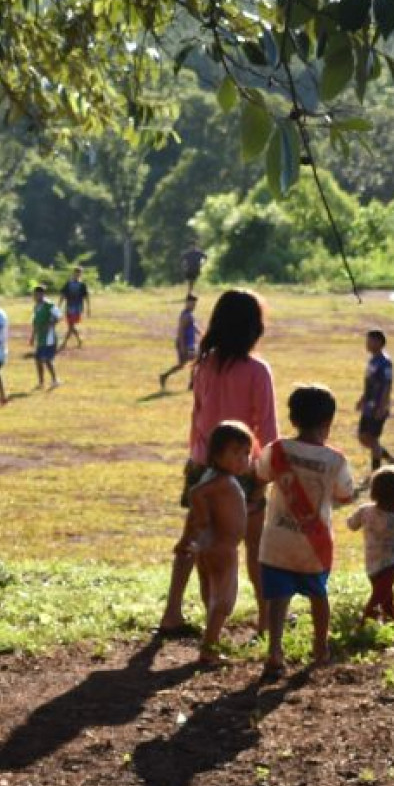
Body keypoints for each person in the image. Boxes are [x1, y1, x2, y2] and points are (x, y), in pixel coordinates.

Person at [155, 288, 279, 639]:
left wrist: (199, 463)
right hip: (243, 470)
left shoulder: (204, 365)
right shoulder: (257, 371)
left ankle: (173, 613)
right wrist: (264, 475)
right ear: (254, 327)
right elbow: (267, 430)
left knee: (195, 542)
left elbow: (198, 418)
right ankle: (265, 622)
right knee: (254, 548)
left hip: (202, 466)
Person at [254, 384, 356, 674]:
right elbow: (345, 494)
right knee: (318, 594)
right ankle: (320, 647)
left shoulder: (277, 449)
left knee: (277, 598)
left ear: (293, 418)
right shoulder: (335, 459)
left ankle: (275, 652)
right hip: (315, 544)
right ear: (328, 422)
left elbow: (261, 474)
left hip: (277, 541)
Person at [173, 420, 254, 667]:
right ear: (217, 455)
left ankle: (211, 634)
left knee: (210, 591)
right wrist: (202, 518)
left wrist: (189, 537)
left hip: (207, 547)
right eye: (236, 454)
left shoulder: (217, 476)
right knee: (225, 600)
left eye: (246, 454)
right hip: (223, 548)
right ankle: (209, 648)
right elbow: (195, 493)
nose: (244, 460)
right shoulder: (221, 481)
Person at [347, 466, 394, 623]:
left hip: (371, 562)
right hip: (391, 563)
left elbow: (351, 524)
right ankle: (367, 617)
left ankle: (390, 614)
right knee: (380, 593)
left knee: (384, 591)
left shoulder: (365, 511)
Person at [355, 328, 394, 475]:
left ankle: (375, 472)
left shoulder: (385, 362)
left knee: (372, 439)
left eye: (370, 341)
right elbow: (370, 383)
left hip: (377, 407)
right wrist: (362, 398)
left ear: (379, 342)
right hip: (369, 405)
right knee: (363, 437)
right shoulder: (373, 360)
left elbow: (387, 385)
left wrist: (383, 406)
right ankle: (391, 459)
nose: (367, 344)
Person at [159, 295, 200, 391]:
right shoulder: (186, 316)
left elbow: (193, 326)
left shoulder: (189, 314)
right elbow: (181, 331)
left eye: (195, 304)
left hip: (190, 343)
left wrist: (201, 333)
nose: (194, 306)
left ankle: (165, 376)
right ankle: (191, 384)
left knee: (186, 364)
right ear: (187, 303)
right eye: (192, 304)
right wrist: (182, 346)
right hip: (186, 344)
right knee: (194, 362)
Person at [28, 285, 60, 389]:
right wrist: (33, 336)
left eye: (37, 294)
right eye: (34, 294)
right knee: (37, 360)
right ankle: (41, 382)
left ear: (42, 294)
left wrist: (50, 325)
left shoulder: (49, 305)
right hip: (40, 338)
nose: (35, 296)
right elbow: (35, 323)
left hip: (49, 338)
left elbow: (59, 316)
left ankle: (55, 380)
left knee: (47, 360)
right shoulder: (36, 306)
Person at [58, 266, 91, 348]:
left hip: (77, 308)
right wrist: (59, 305)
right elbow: (63, 294)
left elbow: (86, 296)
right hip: (69, 307)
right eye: (76, 273)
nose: (77, 275)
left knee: (71, 326)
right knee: (71, 326)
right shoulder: (68, 284)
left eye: (79, 273)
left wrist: (88, 308)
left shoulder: (82, 285)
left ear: (81, 274)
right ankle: (79, 340)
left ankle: (64, 343)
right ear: (73, 273)